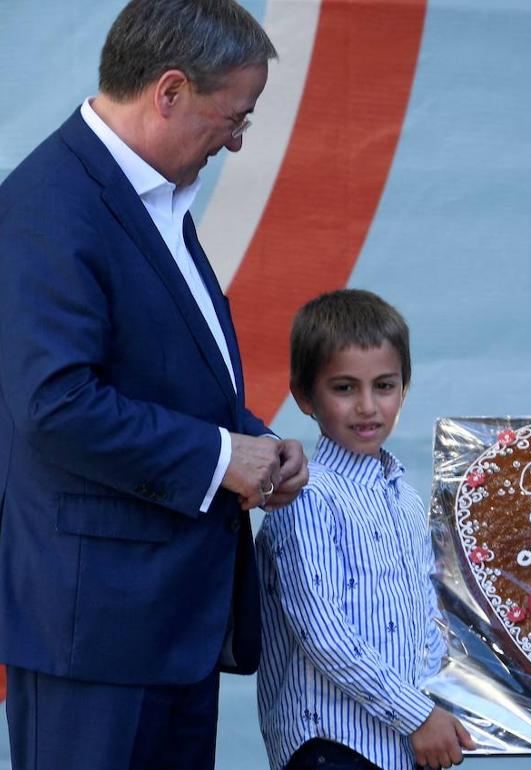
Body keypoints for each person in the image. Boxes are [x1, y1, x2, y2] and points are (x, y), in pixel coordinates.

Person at [0, 1, 308, 767]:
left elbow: (163, 374)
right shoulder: (49, 207)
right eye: (232, 115)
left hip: (161, 619)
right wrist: (218, 460)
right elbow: (55, 404)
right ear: (169, 91)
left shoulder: (148, 195)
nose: (238, 138)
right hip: (95, 632)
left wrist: (256, 443)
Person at [256, 289, 476, 770]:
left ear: (404, 388)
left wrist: (446, 706)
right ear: (304, 396)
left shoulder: (405, 497)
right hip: (332, 746)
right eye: (344, 388)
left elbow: (427, 618)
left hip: (408, 744)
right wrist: (419, 715)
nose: (367, 407)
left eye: (384, 385)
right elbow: (323, 632)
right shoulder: (305, 496)